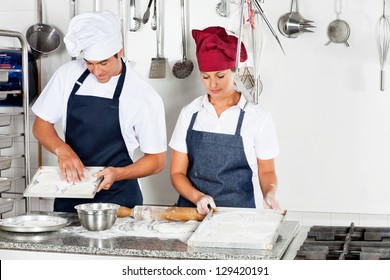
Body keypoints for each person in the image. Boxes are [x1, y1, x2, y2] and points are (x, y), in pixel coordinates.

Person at [32, 11, 167, 212]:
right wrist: (63, 151)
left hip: (119, 196)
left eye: (103, 63)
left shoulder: (143, 95)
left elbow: (156, 161)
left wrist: (118, 173)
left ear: (119, 52)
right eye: (90, 63)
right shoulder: (68, 75)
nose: (97, 71)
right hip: (72, 189)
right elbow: (40, 125)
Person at [169, 26, 280, 215]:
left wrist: (269, 193)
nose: (212, 84)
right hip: (192, 214)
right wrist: (198, 197)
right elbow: (176, 173)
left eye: (220, 76)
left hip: (239, 216)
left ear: (234, 71)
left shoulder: (258, 117)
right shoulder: (190, 113)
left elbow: (266, 171)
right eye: (205, 77)